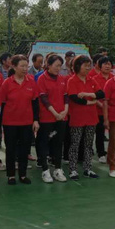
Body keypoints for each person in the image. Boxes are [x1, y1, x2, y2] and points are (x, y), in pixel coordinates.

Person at [0, 54, 40, 185]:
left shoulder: (31, 82)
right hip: (10, 122)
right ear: (14, 67)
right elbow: (2, 103)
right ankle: (11, 175)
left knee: (24, 149)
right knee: (10, 149)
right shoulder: (7, 83)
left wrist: (35, 120)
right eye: (22, 66)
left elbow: (35, 102)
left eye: (26, 66)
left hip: (26, 122)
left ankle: (23, 174)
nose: (24, 69)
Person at [66, 55, 104, 180]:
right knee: (75, 144)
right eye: (85, 66)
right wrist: (90, 102)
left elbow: (101, 93)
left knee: (88, 144)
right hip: (77, 117)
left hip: (91, 118)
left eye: (89, 66)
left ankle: (88, 168)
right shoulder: (72, 80)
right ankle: (73, 169)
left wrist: (88, 94)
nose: (88, 68)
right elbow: (74, 97)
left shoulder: (91, 80)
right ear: (77, 66)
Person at [37, 54, 69, 183]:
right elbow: (44, 98)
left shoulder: (62, 79)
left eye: (60, 66)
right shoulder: (42, 79)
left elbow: (66, 96)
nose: (58, 68)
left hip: (61, 118)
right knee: (44, 143)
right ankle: (45, 170)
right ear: (48, 65)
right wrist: (55, 113)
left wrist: (65, 110)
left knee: (58, 143)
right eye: (56, 65)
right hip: (47, 118)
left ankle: (58, 169)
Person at [92, 56, 113, 162]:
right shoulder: (94, 79)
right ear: (99, 66)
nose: (107, 66)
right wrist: (102, 105)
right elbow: (93, 96)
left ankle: (113, 153)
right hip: (98, 111)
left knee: (114, 133)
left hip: (112, 111)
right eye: (105, 64)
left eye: (109, 64)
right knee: (100, 133)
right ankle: (101, 153)